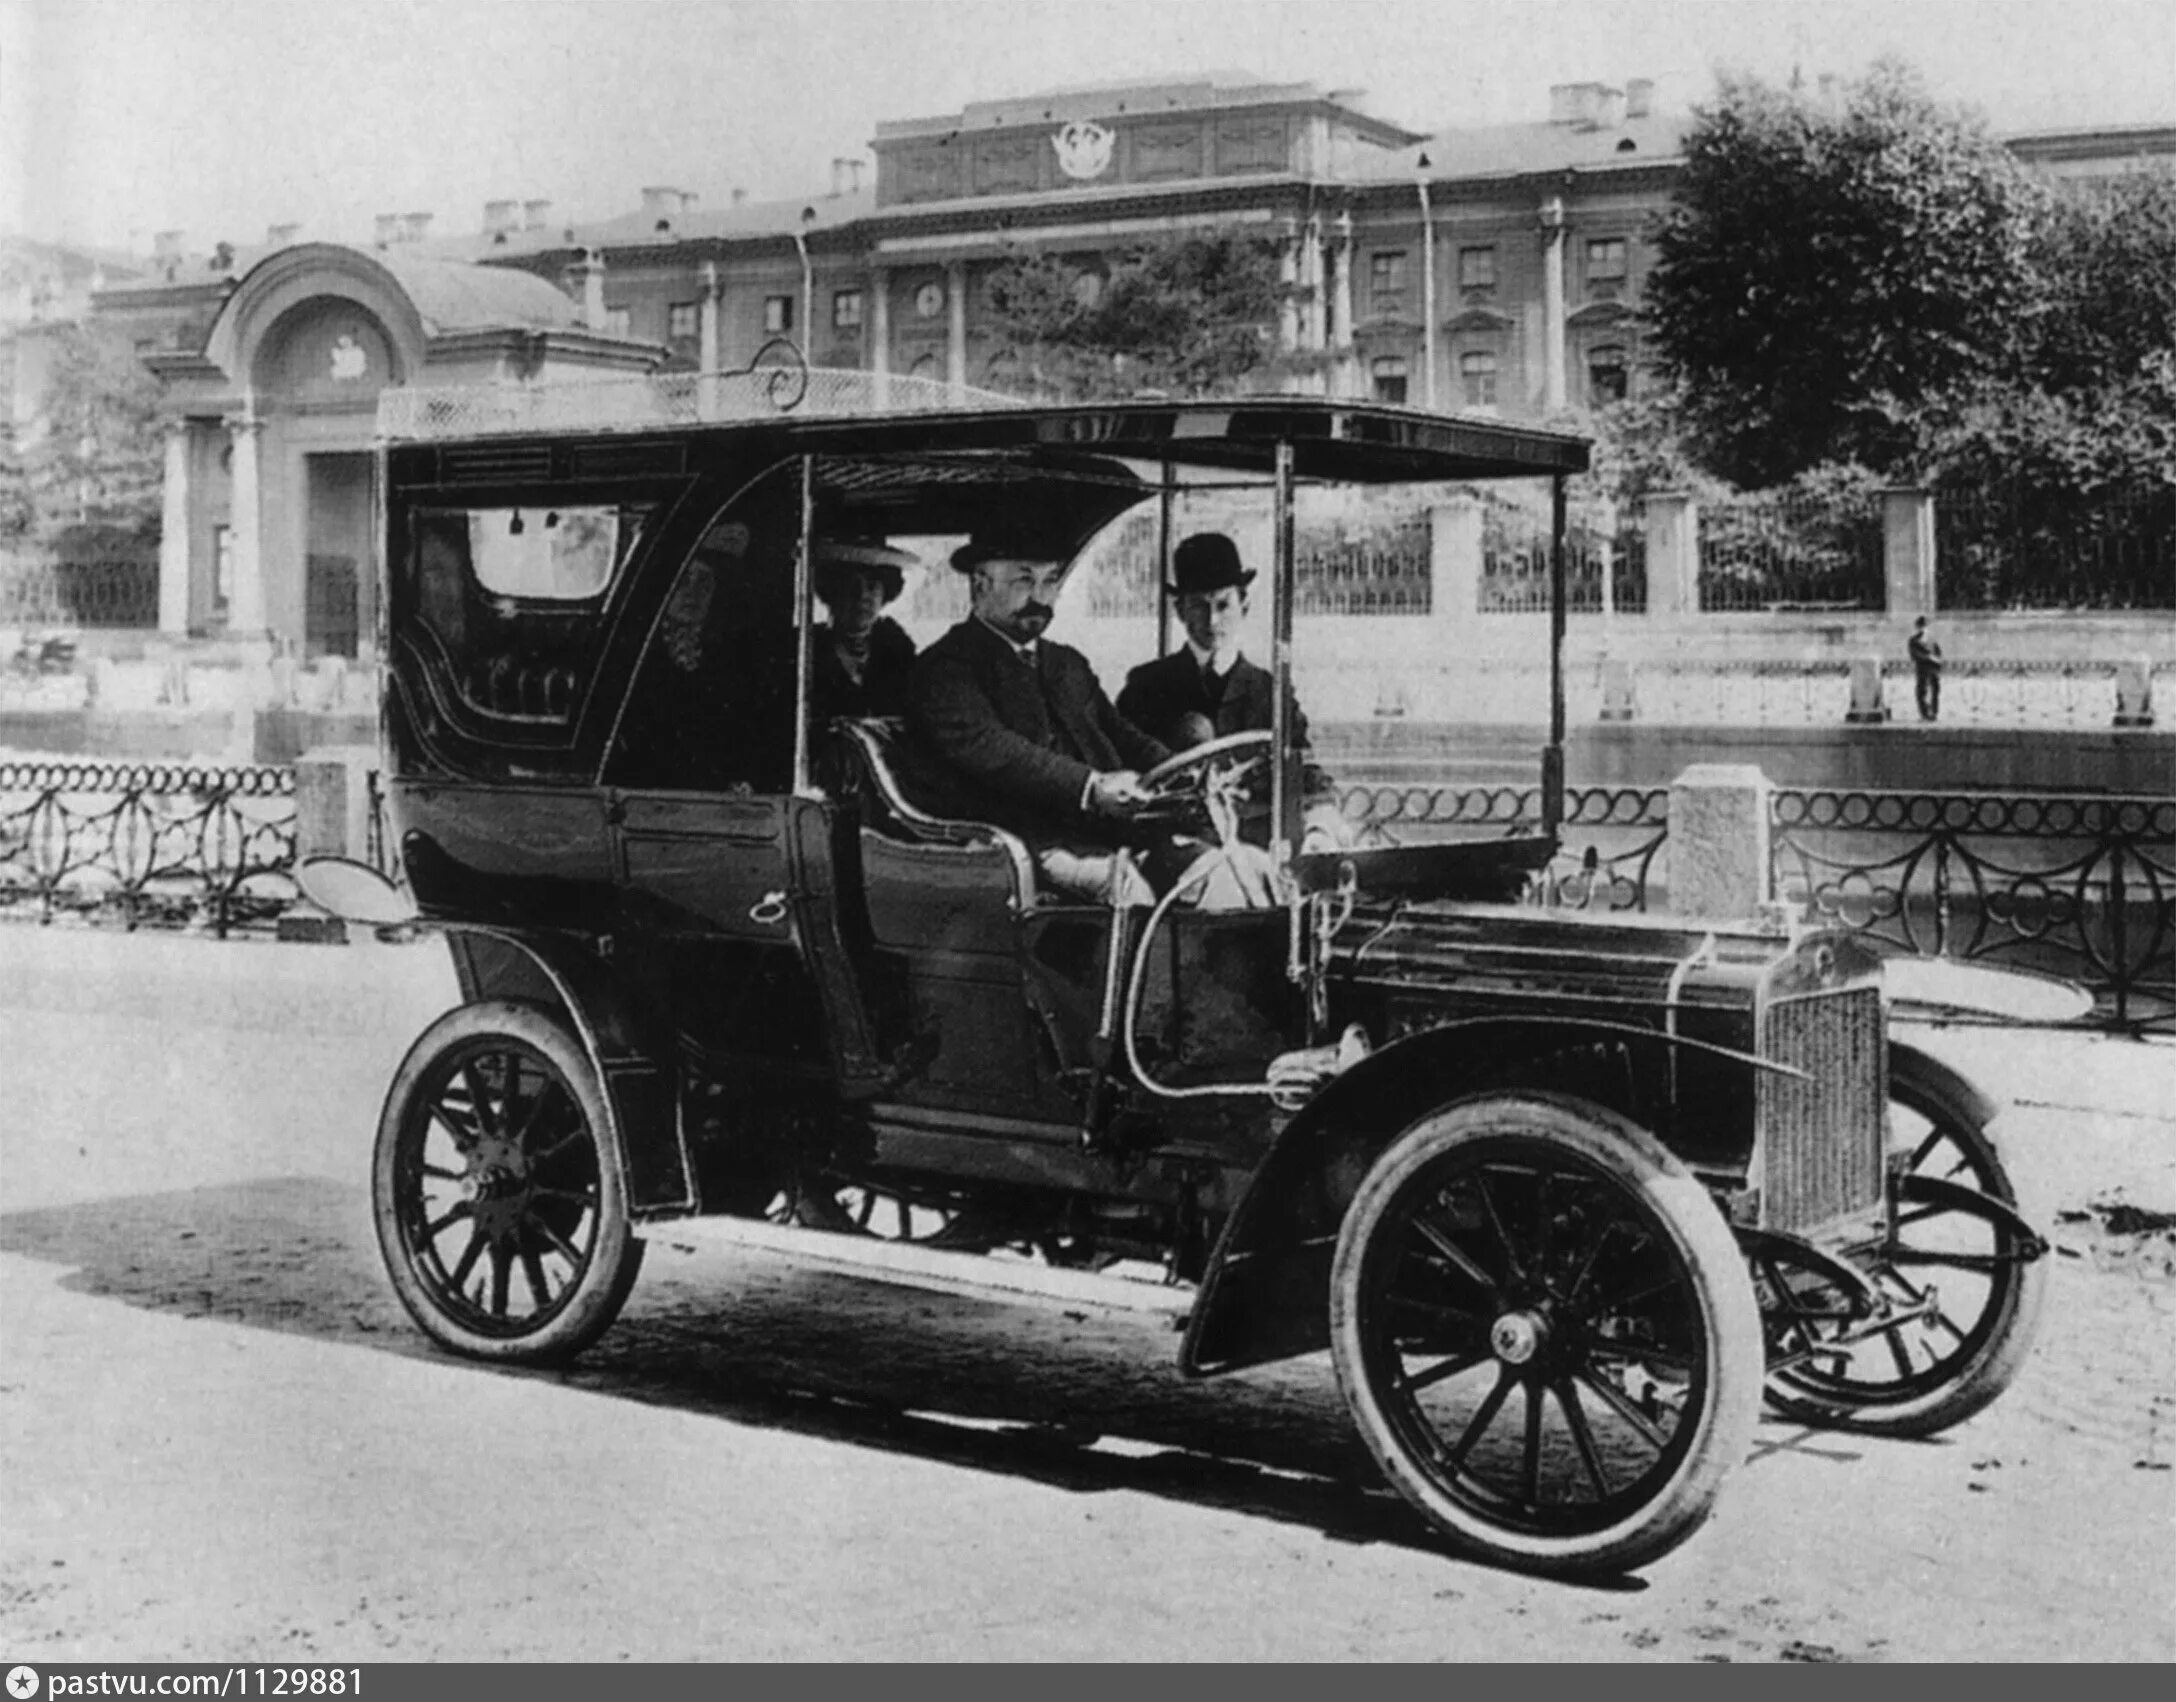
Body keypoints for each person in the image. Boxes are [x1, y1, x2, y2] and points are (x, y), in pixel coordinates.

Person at [906, 513, 1176, 905]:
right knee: (1123, 886)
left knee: (1217, 865)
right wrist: (1092, 787)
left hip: (1101, 833)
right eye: (1024, 580)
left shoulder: (1067, 664)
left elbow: (1120, 733)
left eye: (1050, 580)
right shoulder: (946, 669)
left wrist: (1184, 768)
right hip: (1013, 842)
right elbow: (994, 750)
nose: (1041, 597)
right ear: (980, 585)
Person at [1117, 530, 1345, 848]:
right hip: (1173, 854)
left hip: (1256, 851)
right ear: (1180, 611)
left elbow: (1305, 773)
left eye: (1223, 604)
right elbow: (1122, 774)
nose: (1212, 620)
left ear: (1244, 606)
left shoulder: (1270, 693)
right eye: (1199, 605)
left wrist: (1321, 825)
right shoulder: (1146, 687)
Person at [810, 534, 919, 720]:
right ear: (832, 592)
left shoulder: (899, 654)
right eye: (851, 585)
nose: (862, 597)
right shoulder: (808, 651)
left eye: (872, 586)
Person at [1908, 615, 1944, 723]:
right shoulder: (1913, 640)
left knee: (1935, 691)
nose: (1923, 628)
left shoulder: (1932, 640)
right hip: (1922, 669)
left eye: (1924, 626)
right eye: (1920, 626)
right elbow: (1914, 655)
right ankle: (1924, 713)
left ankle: (1933, 713)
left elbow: (1938, 653)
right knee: (1922, 691)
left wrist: (1938, 661)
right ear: (1917, 627)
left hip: (1933, 670)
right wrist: (1929, 658)